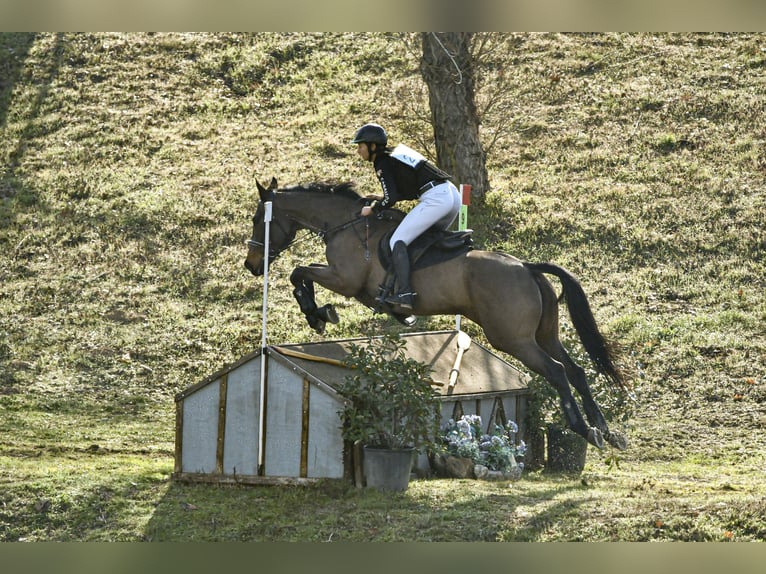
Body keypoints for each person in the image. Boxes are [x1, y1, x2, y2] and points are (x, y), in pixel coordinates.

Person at [352, 122, 461, 310]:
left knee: (397, 241)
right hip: (451, 194)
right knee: (424, 239)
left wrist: (373, 208)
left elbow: (392, 198)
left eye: (361, 146)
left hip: (436, 199)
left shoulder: (381, 161)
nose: (359, 151)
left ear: (372, 146)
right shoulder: (395, 154)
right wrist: (382, 198)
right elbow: (408, 187)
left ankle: (405, 294)